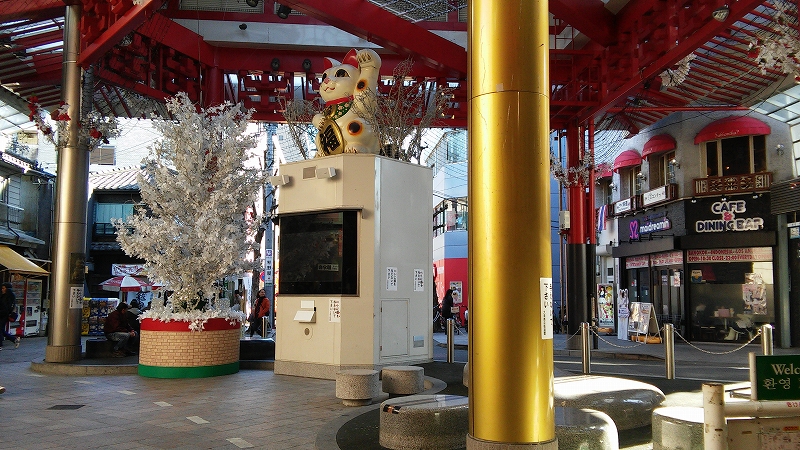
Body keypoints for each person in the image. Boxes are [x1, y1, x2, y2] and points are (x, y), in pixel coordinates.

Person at [0, 282, 20, 350]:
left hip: (4, 315)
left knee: (0, 329)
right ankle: (14, 339)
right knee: (1, 330)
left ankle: (1, 344)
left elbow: (7, 307)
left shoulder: (9, 296)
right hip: (2, 314)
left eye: (3, 288)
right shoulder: (3, 296)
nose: (2, 290)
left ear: (7, 289)